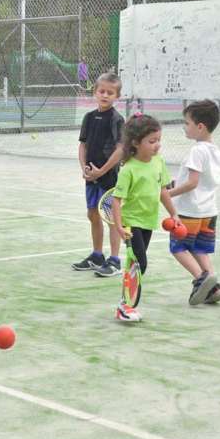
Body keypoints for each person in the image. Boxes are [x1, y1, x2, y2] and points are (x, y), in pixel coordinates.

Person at [110, 113, 179, 322]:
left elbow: (163, 191)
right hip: (131, 222)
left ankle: (126, 304)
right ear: (135, 143)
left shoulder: (158, 162)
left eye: (158, 140)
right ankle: (125, 306)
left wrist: (173, 213)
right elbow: (116, 200)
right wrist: (120, 226)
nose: (157, 145)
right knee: (139, 263)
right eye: (151, 141)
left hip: (148, 221)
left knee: (139, 265)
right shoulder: (128, 169)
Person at [167, 100, 220, 305]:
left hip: (189, 211)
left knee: (178, 247)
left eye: (187, 123)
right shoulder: (216, 151)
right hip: (209, 212)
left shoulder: (197, 150)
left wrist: (168, 194)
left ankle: (201, 279)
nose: (185, 126)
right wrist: (173, 184)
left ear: (200, 126)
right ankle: (214, 288)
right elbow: (200, 181)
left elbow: (192, 183)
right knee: (200, 249)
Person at [72, 72, 125, 277]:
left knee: (111, 217)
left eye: (110, 93)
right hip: (91, 178)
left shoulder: (117, 120)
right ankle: (97, 256)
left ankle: (114, 260)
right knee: (92, 214)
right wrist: (84, 168)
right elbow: (83, 145)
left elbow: (121, 149)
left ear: (116, 97)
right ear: (95, 92)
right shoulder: (89, 117)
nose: (105, 95)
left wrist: (101, 171)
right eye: (101, 91)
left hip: (109, 178)